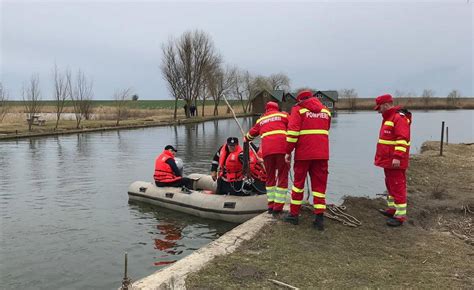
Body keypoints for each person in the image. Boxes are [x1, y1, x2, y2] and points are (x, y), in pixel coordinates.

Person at [284, 90, 331, 231]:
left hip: (303, 154)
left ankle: (294, 215)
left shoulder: (298, 110)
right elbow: (326, 129)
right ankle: (319, 218)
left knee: (298, 185)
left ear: (300, 100)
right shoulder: (326, 111)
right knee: (319, 188)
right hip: (322, 154)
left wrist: (288, 151)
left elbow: (292, 133)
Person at [245, 101, 289, 215]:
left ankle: (270, 206)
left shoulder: (261, 120)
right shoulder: (283, 115)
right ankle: (278, 208)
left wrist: (246, 138)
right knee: (282, 177)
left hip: (267, 152)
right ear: (277, 108)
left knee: (270, 178)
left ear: (266, 109)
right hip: (282, 151)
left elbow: (249, 136)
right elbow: (294, 128)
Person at [374, 94, 412, 227]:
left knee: (397, 185)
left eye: (379, 108)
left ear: (385, 105)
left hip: (395, 161)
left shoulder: (398, 118)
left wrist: (397, 157)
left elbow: (402, 139)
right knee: (390, 184)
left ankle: (400, 216)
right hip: (388, 160)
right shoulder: (389, 118)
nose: (379, 111)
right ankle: (393, 209)